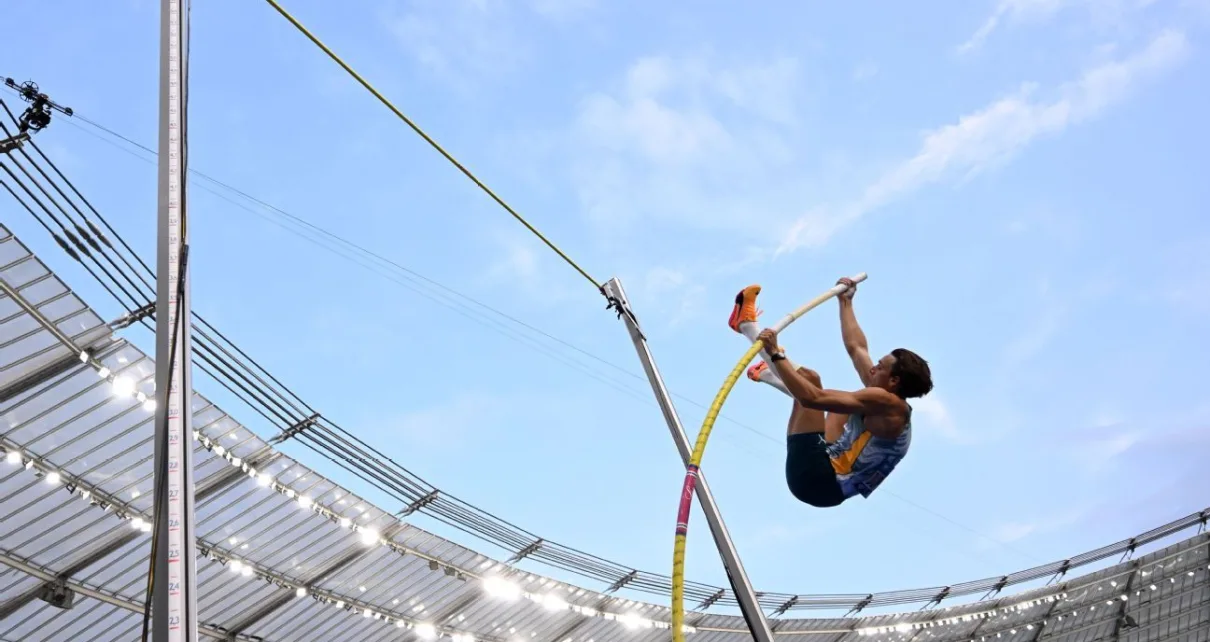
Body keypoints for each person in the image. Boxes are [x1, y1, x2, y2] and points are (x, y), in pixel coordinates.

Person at [726, 278, 933, 507]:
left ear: (894, 381)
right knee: (838, 405)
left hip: (819, 481)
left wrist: (775, 352)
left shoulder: (888, 404)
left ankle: (746, 326)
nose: (873, 367)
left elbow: (811, 398)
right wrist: (845, 302)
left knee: (810, 381)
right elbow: (857, 348)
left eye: (880, 366)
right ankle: (767, 373)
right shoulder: (881, 390)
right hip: (828, 468)